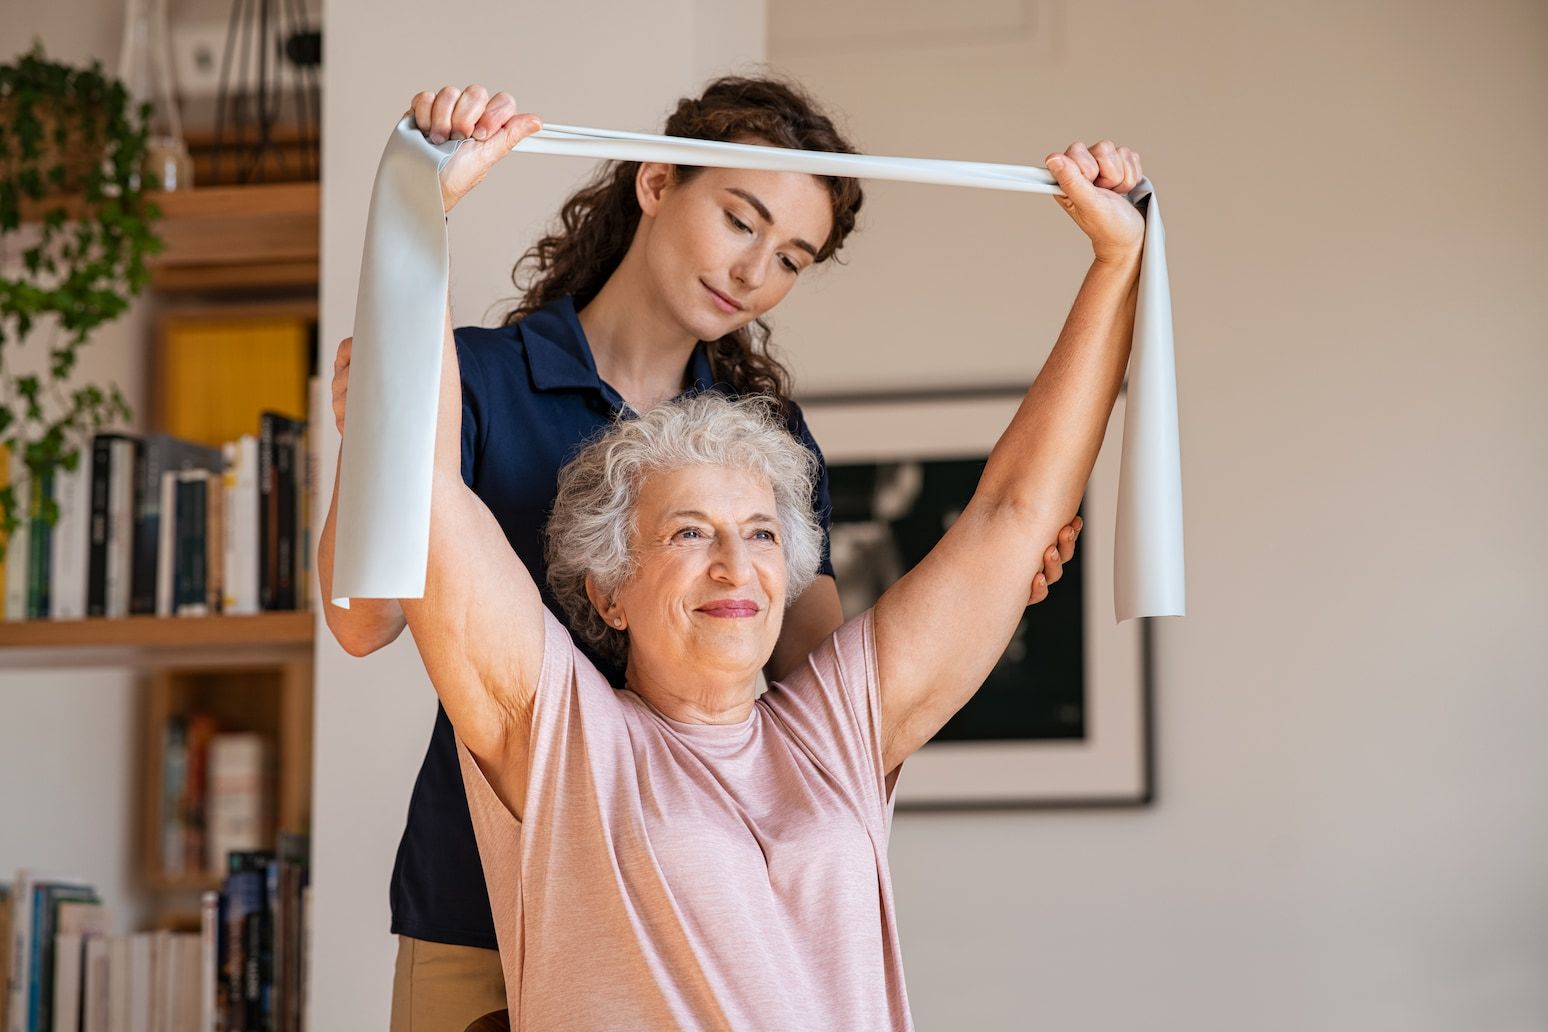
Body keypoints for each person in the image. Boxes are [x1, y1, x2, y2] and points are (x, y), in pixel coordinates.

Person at [321, 75, 1106, 1030]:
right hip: (485, 891)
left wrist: (984, 599)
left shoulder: (767, 442)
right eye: (741, 221)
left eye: (789, 257)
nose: (752, 272)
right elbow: (364, 618)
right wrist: (386, 432)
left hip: (706, 880)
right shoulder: (481, 377)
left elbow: (820, 678)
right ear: (657, 184)